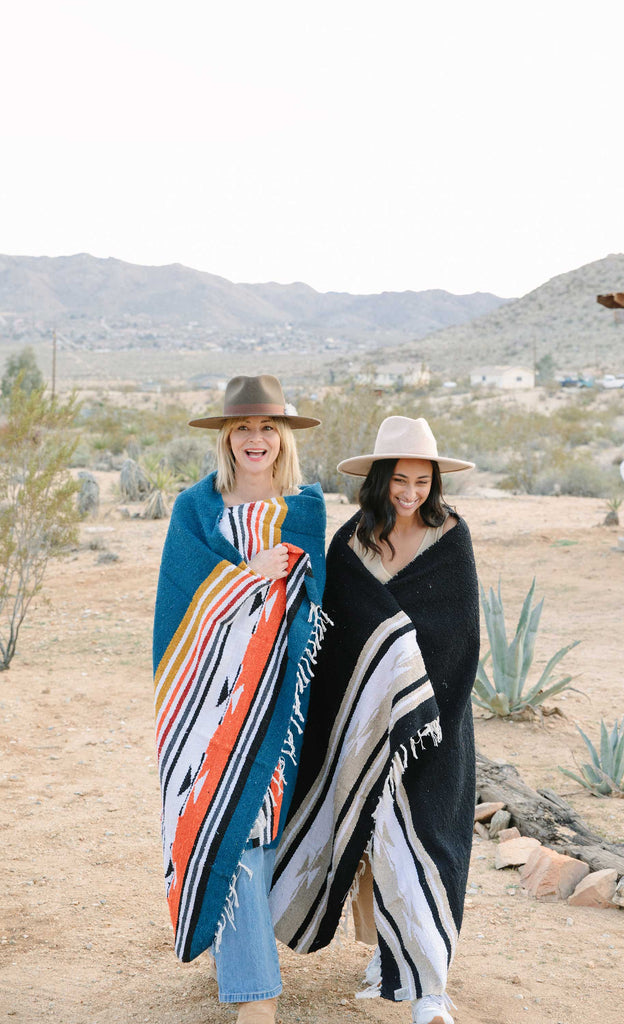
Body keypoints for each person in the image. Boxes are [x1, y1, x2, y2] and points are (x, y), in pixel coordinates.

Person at [270, 415, 480, 1024]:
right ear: (379, 480)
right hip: (361, 725)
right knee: (370, 843)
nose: (411, 492)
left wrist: (409, 695)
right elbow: (335, 636)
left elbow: (460, 639)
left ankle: (430, 989)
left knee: (427, 848)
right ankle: (392, 960)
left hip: (432, 727)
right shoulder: (351, 544)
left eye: (422, 481)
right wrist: (380, 676)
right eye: (399, 480)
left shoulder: (452, 539)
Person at [152, 374, 328, 1024]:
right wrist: (244, 581)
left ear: (283, 437)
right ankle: (256, 1000)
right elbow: (177, 612)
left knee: (253, 831)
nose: (256, 439)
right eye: (243, 428)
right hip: (204, 709)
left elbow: (314, 609)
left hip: (277, 706)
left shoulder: (305, 509)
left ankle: (248, 984)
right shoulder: (196, 510)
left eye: (267, 428)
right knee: (224, 826)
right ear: (226, 436)